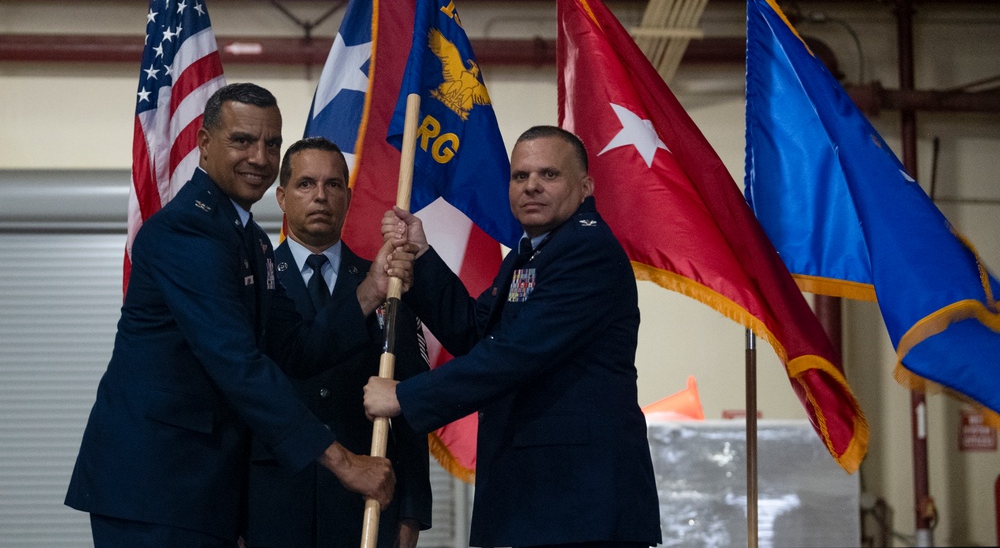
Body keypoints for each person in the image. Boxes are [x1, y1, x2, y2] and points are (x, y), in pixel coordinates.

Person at [65, 83, 410, 547]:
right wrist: (344, 462)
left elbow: (294, 347)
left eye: (271, 143)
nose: (260, 157)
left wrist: (370, 288)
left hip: (201, 490)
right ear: (205, 145)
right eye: (242, 140)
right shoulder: (189, 232)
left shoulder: (250, 239)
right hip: (155, 486)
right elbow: (237, 364)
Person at [365, 125, 662, 548]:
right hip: (544, 500)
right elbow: (475, 331)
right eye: (520, 176)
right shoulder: (533, 254)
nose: (531, 187)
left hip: (580, 505)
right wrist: (421, 255)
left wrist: (404, 397)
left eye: (549, 175)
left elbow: (515, 354)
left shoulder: (585, 251)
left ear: (585, 186)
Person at [245, 137, 431, 548]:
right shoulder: (253, 283)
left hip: (365, 507)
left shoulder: (389, 282)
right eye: (306, 184)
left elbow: (411, 401)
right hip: (269, 504)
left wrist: (412, 513)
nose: (320, 196)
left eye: (332, 185)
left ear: (348, 198)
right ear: (281, 196)